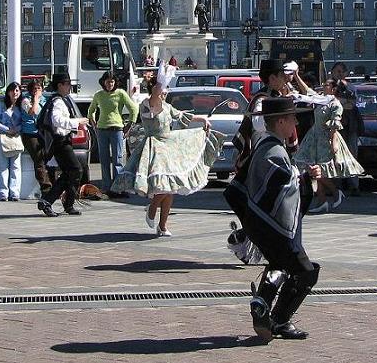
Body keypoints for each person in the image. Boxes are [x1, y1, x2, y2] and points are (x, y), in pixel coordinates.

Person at [225, 96, 322, 342]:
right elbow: (282, 189)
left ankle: (264, 306)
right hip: (274, 228)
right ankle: (276, 317)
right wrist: (306, 180)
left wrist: (299, 176)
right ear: (280, 122)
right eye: (292, 118)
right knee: (305, 272)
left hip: (262, 226)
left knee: (279, 264)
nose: (295, 123)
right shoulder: (273, 151)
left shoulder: (266, 145)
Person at [112, 69, 223, 236]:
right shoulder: (147, 104)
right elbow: (155, 98)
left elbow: (181, 116)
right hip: (154, 146)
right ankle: (152, 208)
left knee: (171, 187)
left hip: (168, 146)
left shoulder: (166, 106)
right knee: (163, 186)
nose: (164, 93)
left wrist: (202, 119)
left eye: (165, 91)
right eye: (163, 90)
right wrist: (160, 82)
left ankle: (162, 226)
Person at [293, 79, 364, 212]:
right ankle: (322, 200)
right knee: (313, 169)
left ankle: (335, 192)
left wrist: (333, 144)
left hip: (326, 139)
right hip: (314, 136)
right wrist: (296, 75)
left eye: (326, 85)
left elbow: (334, 128)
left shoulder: (336, 104)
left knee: (321, 171)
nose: (323, 86)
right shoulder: (321, 99)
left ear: (333, 89)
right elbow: (307, 91)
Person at [37, 73, 91, 217]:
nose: (70, 87)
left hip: (63, 140)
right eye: (67, 84)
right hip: (60, 141)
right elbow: (57, 121)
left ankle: (56, 202)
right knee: (76, 170)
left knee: (70, 172)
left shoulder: (61, 100)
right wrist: (76, 122)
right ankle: (60, 202)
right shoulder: (58, 101)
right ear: (60, 85)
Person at [88, 71, 139, 196]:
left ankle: (118, 187)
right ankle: (106, 187)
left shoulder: (120, 93)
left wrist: (129, 124)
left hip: (117, 129)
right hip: (102, 130)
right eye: (107, 81)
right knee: (104, 159)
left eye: (112, 81)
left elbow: (134, 108)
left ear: (115, 82)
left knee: (118, 160)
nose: (110, 83)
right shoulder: (99, 95)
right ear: (103, 82)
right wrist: (93, 121)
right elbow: (91, 109)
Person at [0, 82, 24, 201]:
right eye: (13, 90)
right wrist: (7, 129)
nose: (15, 93)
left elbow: (26, 121)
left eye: (17, 90)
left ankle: (15, 193)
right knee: (3, 166)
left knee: (16, 167)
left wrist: (16, 129)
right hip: (3, 138)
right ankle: (3, 193)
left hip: (16, 138)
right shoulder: (1, 105)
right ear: (8, 92)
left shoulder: (22, 105)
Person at [19, 78, 52, 199]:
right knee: (39, 160)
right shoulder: (26, 100)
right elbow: (33, 111)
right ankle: (46, 188)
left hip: (43, 132)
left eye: (39, 88)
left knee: (48, 157)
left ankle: (53, 184)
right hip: (30, 133)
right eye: (34, 89)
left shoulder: (46, 100)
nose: (36, 91)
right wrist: (36, 99)